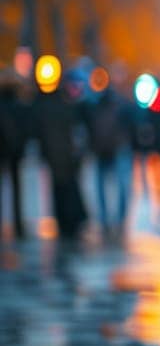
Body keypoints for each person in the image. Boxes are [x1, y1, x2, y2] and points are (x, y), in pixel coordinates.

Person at [34, 78, 87, 241]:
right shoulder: (66, 107)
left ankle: (65, 223)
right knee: (68, 189)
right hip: (65, 156)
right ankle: (71, 222)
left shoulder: (48, 108)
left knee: (60, 190)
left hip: (56, 157)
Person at [87, 66, 136, 239]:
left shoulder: (95, 103)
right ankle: (112, 221)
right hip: (111, 148)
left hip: (109, 148)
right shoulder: (118, 102)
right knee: (117, 186)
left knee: (110, 187)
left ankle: (110, 220)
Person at [0, 69, 30, 239]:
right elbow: (26, 128)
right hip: (16, 151)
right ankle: (19, 226)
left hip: (3, 150)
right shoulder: (20, 105)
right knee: (17, 189)